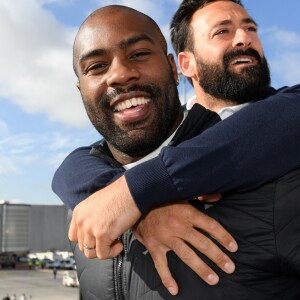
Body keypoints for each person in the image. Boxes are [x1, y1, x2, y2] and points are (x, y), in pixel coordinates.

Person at [52, 1, 300, 299]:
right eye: (222, 31)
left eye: (250, 28)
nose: (243, 38)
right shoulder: (89, 203)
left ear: (172, 68)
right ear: (184, 64)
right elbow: (80, 163)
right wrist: (125, 202)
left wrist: (136, 193)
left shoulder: (274, 170)